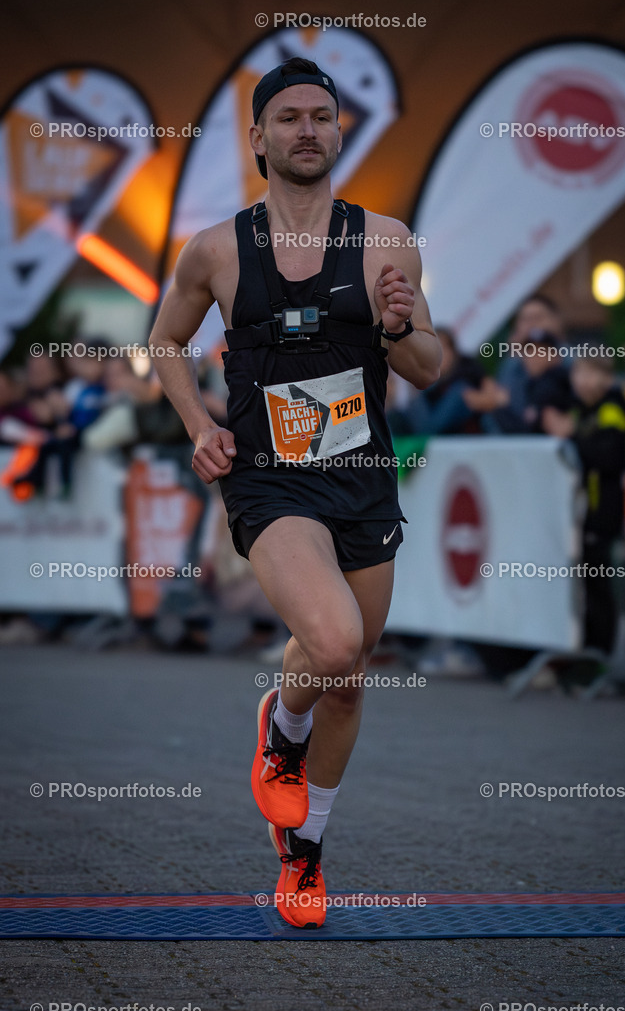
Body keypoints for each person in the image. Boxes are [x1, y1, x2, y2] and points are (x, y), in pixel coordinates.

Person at [149, 57, 441, 929]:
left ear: (339, 132)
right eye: (288, 117)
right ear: (257, 139)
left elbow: (428, 368)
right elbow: (164, 345)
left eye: (322, 115)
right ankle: (279, 728)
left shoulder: (386, 240)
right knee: (334, 638)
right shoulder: (214, 250)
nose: (307, 129)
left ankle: (303, 857)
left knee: (346, 679)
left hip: (361, 480)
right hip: (269, 483)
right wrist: (201, 427)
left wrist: (397, 327)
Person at [544, 355, 625, 653]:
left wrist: (572, 437)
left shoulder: (612, 410)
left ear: (608, 378)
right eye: (578, 372)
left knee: (600, 584)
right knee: (586, 585)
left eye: (591, 373)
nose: (581, 380)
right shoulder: (582, 409)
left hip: (602, 511)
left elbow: (610, 458)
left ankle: (601, 654)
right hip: (581, 512)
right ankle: (588, 650)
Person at [405, 328, 508, 435]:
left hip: (470, 426)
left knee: (459, 392)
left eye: (442, 348)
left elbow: (497, 396)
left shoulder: (467, 366)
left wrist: (472, 399)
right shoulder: (427, 376)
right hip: (440, 427)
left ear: (452, 351)